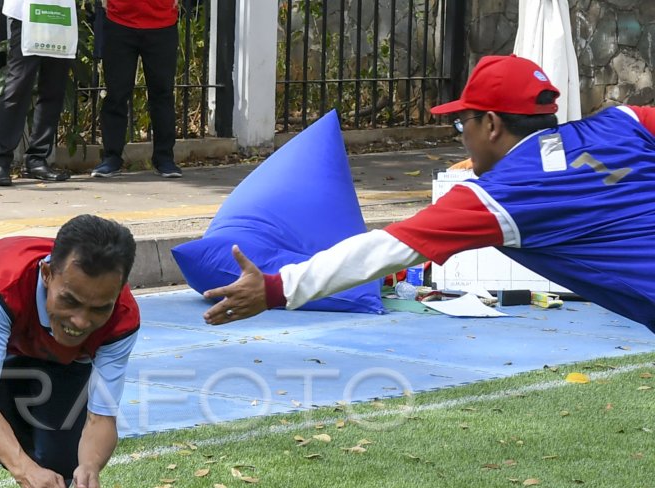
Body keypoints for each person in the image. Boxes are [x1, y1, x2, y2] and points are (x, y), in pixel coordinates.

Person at [200, 54, 655, 335]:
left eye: (463, 124)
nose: (461, 138)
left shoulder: (501, 196)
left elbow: (386, 248)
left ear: (492, 124)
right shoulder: (623, 123)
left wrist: (277, 288)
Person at [0, 214, 139, 488]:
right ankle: (25, 464)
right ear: (47, 274)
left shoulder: (124, 317)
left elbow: (102, 416)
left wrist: (89, 467)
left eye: (99, 308)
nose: (80, 321)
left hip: (65, 359)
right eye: (70, 300)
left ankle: (49, 467)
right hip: (7, 349)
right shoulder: (3, 282)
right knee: (8, 433)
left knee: (64, 461)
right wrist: (25, 471)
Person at [91, 0, 182, 179]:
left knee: (162, 93)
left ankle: (164, 158)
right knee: (116, 94)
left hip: (162, 22)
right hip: (119, 20)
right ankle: (111, 157)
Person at [0, 0, 73, 187]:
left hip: (60, 13)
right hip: (27, 13)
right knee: (18, 86)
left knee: (54, 88)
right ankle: (1, 161)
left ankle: (37, 159)